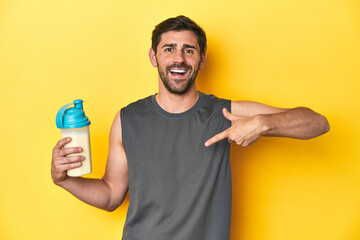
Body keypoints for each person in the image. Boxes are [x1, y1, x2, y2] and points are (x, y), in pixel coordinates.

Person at [51, 15, 330, 240]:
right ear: (153, 56)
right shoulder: (127, 119)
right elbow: (112, 195)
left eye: (189, 50)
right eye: (169, 49)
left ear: (202, 59)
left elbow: (317, 123)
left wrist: (262, 123)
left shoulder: (226, 113)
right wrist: (65, 180)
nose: (179, 59)